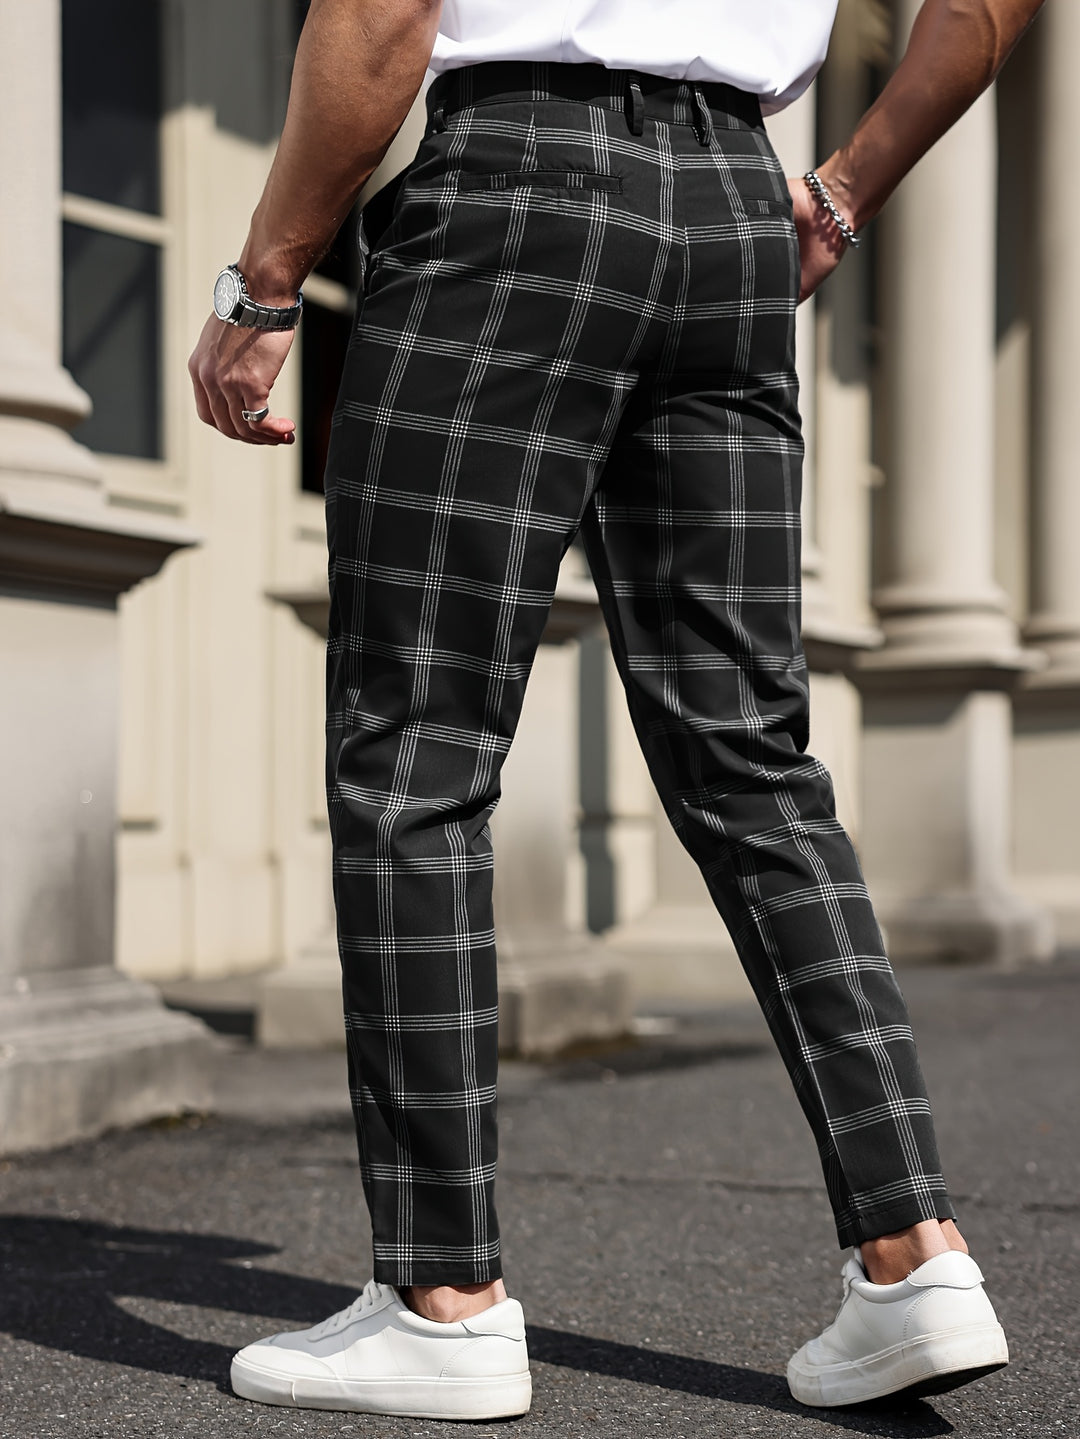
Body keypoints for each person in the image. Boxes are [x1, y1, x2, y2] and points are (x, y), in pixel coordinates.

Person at [189, 0, 1044, 1420]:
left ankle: (444, 1304)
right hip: (732, 211)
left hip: (512, 192)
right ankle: (915, 1257)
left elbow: (383, 13)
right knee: (754, 762)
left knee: (419, 754)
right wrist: (843, 189)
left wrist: (267, 280)